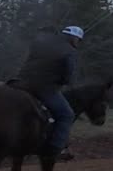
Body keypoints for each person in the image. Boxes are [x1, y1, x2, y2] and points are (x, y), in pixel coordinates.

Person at [16, 25, 84, 160]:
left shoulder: (42, 43)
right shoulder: (70, 51)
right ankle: (56, 148)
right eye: (78, 40)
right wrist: (65, 82)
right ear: (74, 38)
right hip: (44, 87)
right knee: (66, 115)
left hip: (20, 82)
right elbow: (68, 74)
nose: (78, 43)